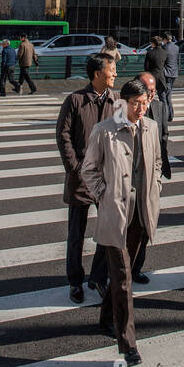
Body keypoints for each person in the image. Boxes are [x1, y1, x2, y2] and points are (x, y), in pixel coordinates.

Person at [81, 77, 162, 367]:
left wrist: (155, 190)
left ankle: (105, 318)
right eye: (135, 104)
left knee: (121, 276)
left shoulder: (151, 127)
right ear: (123, 103)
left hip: (140, 211)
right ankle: (128, 344)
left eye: (144, 103)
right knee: (124, 279)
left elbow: (157, 163)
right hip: (116, 213)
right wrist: (104, 196)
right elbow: (88, 170)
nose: (141, 108)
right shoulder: (105, 131)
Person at [56, 54, 117, 302]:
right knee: (76, 234)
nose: (115, 74)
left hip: (107, 177)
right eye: (111, 70)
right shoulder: (75, 100)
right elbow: (63, 135)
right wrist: (76, 168)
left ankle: (98, 277)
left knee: (107, 231)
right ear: (97, 74)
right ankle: (74, 281)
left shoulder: (117, 102)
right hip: (81, 177)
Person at [132, 70, 172, 283]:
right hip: (130, 179)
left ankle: (137, 268)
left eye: (153, 90)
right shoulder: (124, 110)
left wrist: (158, 177)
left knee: (146, 226)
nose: (151, 94)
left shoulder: (159, 107)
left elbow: (163, 139)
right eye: (148, 90)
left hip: (151, 178)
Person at [162, 32, 180, 122]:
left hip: (167, 73)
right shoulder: (176, 47)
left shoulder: (165, 47)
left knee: (167, 95)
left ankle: (170, 115)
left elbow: (163, 60)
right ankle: (170, 114)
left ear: (165, 39)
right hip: (174, 73)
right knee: (169, 93)